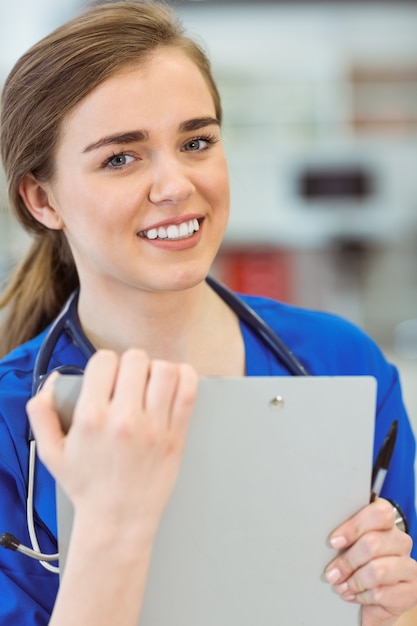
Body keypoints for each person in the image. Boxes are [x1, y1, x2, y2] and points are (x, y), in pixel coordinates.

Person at [0, 1, 416, 624]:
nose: (175, 185)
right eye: (120, 157)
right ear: (42, 198)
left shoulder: (339, 362)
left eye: (196, 142)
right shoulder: (11, 424)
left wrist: (395, 611)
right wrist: (112, 524)